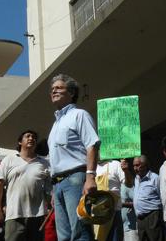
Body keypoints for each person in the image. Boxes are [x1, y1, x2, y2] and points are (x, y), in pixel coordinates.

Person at [47, 73, 100, 241]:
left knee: (80, 231)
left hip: (75, 178)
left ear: (71, 93)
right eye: (52, 89)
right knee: (63, 236)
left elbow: (92, 144)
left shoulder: (79, 115)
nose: (54, 91)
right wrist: (54, 191)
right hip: (58, 184)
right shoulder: (56, 123)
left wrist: (90, 176)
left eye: (59, 88)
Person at [0, 130, 51, 241]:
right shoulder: (9, 160)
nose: (31, 138)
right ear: (20, 142)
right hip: (14, 215)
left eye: (34, 137)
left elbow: (50, 189)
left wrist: (50, 204)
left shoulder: (44, 163)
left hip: (37, 216)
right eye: (27, 136)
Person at [94, 158, 133, 241]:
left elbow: (129, 184)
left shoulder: (115, 164)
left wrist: (126, 171)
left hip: (114, 213)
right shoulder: (91, 167)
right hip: (96, 216)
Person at [133, 155, 165, 241]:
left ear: (145, 165)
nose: (135, 168)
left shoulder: (155, 178)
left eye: (137, 165)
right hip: (140, 218)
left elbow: (162, 197)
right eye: (134, 165)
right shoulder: (136, 178)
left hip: (152, 217)